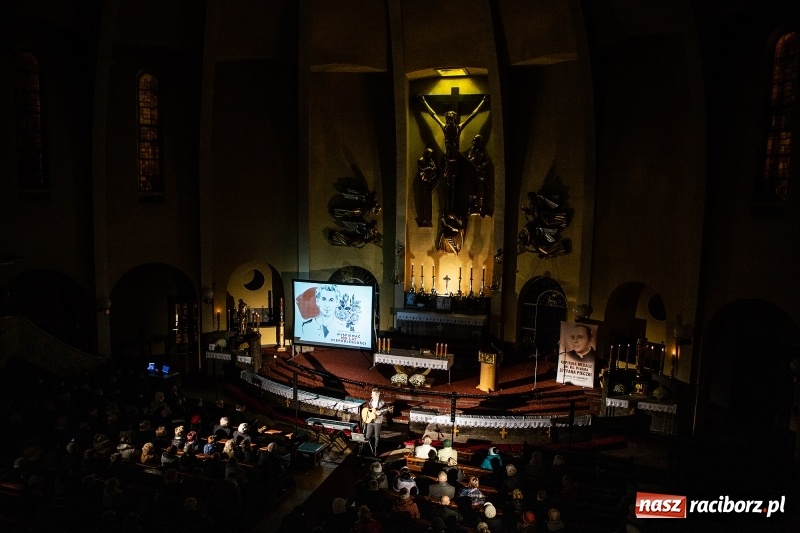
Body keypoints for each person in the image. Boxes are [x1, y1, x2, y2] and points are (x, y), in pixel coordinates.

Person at [417, 147, 438, 227]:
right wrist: (428, 168)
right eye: (429, 154)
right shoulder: (421, 160)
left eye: (430, 155)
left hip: (429, 182)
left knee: (428, 201)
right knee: (424, 201)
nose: (429, 156)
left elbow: (434, 168)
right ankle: (424, 219)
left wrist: (431, 169)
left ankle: (428, 219)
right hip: (424, 182)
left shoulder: (430, 160)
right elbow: (420, 169)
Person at [362, 388, 388, 454]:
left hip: (377, 421)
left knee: (376, 436)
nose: (371, 396)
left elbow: (385, 411)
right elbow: (369, 410)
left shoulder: (382, 402)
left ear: (377, 395)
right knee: (368, 435)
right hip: (370, 420)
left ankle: (376, 449)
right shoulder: (371, 401)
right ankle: (367, 448)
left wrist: (380, 413)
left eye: (373, 394)